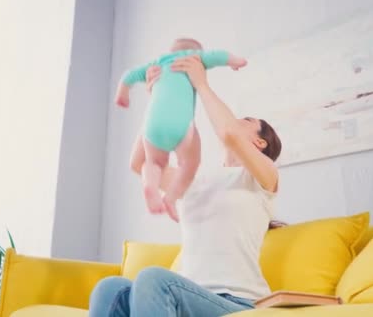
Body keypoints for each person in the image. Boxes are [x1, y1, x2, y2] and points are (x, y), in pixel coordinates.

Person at [91, 54, 282, 317]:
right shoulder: (197, 181)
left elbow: (228, 133)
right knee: (110, 288)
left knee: (154, 279)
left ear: (261, 143)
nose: (235, 120)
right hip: (187, 293)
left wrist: (201, 84)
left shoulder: (264, 179)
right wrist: (159, 99)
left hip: (237, 302)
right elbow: (141, 163)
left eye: (245, 121)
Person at [114, 38, 247, 221]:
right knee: (189, 163)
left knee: (153, 163)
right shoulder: (193, 58)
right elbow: (218, 56)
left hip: (153, 124)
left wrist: (124, 93)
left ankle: (150, 185)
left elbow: (128, 76)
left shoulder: (158, 63)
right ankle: (170, 198)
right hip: (180, 126)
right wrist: (235, 61)